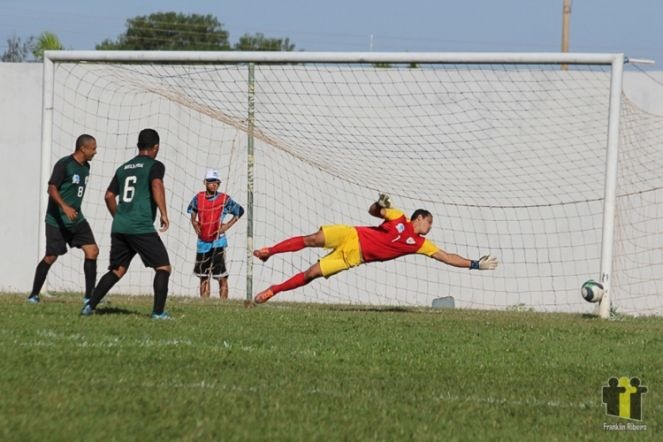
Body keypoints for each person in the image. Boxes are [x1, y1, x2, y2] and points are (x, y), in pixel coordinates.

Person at [252, 193, 498, 304]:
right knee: (312, 238)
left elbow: (447, 257)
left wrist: (475, 264)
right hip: (352, 234)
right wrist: (379, 203)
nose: (430, 226)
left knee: (311, 274)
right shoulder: (398, 217)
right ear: (420, 218)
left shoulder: (421, 244)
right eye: (429, 221)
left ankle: (273, 290)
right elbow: (373, 212)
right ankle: (269, 252)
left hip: (355, 256)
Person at [81, 128, 172, 319]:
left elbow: (108, 196)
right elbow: (156, 185)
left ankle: (89, 306)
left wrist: (120, 216)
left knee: (117, 269)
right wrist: (164, 213)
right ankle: (158, 313)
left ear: (138, 146)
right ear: (156, 147)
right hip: (141, 226)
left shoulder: (123, 168)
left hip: (121, 226)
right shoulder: (155, 165)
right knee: (163, 267)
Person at [28, 134, 99, 304]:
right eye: (93, 148)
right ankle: (34, 295)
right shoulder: (64, 164)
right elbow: (51, 189)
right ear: (83, 148)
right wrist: (64, 207)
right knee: (51, 257)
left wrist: (72, 210)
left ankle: (89, 297)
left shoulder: (86, 167)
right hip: (56, 220)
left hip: (76, 218)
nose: (95, 152)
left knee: (92, 251)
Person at [187, 169, 244, 299]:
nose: (214, 185)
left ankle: (223, 304)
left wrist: (227, 226)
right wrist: (194, 222)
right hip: (203, 242)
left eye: (217, 183)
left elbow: (240, 211)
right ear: (205, 182)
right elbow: (192, 209)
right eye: (211, 182)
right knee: (203, 276)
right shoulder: (199, 198)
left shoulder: (224, 199)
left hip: (218, 241)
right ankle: (204, 304)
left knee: (221, 275)